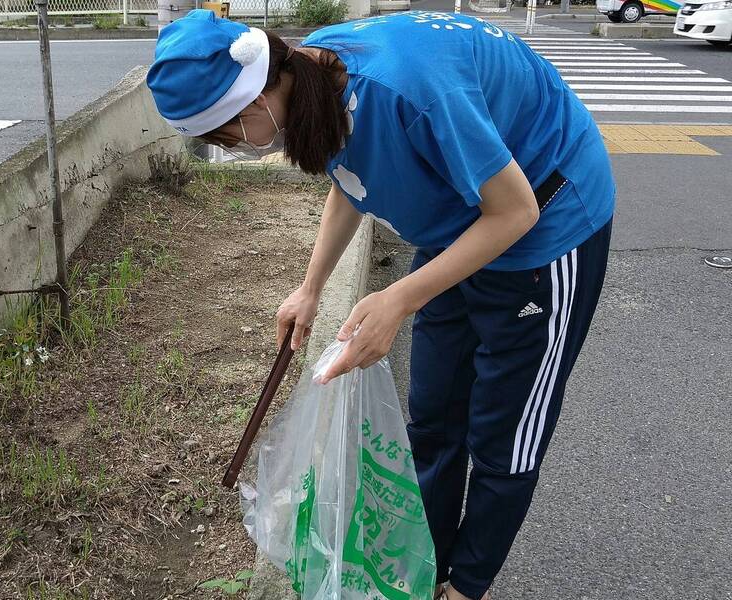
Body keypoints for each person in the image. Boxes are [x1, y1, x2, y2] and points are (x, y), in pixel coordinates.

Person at [147, 9, 615, 600]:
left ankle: (467, 584)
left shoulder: (404, 87)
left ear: (256, 99)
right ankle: (429, 563)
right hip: (461, 222)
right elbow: (353, 178)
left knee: (505, 432)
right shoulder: (314, 74)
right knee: (434, 413)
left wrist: (397, 299)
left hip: (547, 225)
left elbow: (515, 212)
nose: (232, 147)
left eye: (226, 133)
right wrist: (310, 287)